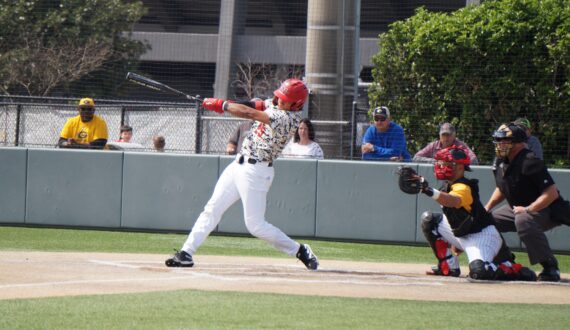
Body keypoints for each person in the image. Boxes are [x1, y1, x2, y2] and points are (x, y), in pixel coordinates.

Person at [165, 78, 319, 270]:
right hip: (238, 164)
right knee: (212, 209)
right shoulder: (276, 103)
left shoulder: (288, 120)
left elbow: (249, 113)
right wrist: (222, 103)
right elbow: (254, 104)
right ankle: (186, 253)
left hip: (257, 171)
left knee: (255, 226)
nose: (279, 100)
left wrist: (223, 105)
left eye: (285, 98)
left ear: (296, 103)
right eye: (280, 96)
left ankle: (299, 250)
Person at [417, 146, 536, 281]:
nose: (441, 165)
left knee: (479, 273)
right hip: (464, 233)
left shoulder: (464, 186)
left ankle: (513, 269)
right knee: (429, 220)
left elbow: (454, 201)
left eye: (446, 163)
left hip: (481, 236)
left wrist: (428, 190)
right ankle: (448, 266)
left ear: (460, 167)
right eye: (440, 162)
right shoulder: (447, 185)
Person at [485, 123, 565, 282]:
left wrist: (528, 209)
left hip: (546, 209)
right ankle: (506, 261)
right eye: (499, 140)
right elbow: (501, 188)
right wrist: (487, 208)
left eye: (505, 140)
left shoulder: (530, 160)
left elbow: (551, 192)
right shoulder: (502, 161)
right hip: (518, 208)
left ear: (518, 143)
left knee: (522, 219)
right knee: (487, 221)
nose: (500, 144)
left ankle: (550, 266)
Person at [413, 122, 478, 165]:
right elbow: (416, 158)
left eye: (449, 135)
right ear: (439, 136)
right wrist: (435, 162)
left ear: (454, 135)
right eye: (444, 135)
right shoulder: (433, 145)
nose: (446, 138)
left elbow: (474, 160)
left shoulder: (460, 145)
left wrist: (455, 163)